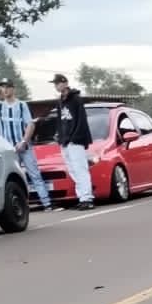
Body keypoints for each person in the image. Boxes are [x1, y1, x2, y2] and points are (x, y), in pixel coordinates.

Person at [0, 80, 51, 212]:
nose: (5, 90)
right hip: (8, 150)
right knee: (12, 178)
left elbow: (30, 124)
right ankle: (21, 206)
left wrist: (24, 141)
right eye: (2, 87)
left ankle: (47, 203)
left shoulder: (22, 105)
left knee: (34, 174)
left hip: (24, 147)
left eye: (7, 87)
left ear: (13, 89)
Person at [50, 73, 95, 209]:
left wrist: (76, 137)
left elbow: (81, 120)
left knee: (80, 169)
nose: (56, 86)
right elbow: (60, 121)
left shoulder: (76, 99)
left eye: (58, 83)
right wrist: (59, 135)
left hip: (75, 140)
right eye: (55, 84)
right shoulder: (60, 101)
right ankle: (82, 197)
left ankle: (87, 198)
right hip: (65, 140)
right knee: (73, 170)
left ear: (65, 83)